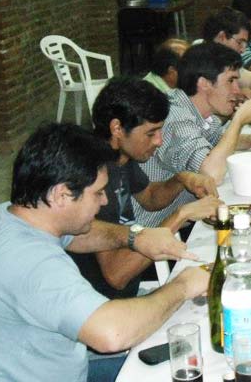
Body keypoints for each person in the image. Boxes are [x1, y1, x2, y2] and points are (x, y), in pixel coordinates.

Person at [0, 123, 209, 382]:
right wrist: (182, 286)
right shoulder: (34, 264)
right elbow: (113, 335)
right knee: (189, 363)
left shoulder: (3, 216)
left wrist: (135, 237)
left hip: (44, 367)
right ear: (61, 195)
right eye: (97, 193)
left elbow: (79, 234)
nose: (105, 201)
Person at [72, 77, 221, 299]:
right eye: (151, 133)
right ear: (117, 128)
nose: (159, 141)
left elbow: (150, 197)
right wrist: (181, 215)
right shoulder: (95, 178)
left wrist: (182, 179)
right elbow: (117, 276)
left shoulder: (120, 156)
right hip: (107, 304)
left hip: (132, 286)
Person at [134, 43, 251, 227]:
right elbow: (212, 174)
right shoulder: (175, 117)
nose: (237, 90)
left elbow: (218, 143)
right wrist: (238, 120)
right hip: (156, 231)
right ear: (204, 83)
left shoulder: (198, 112)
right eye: (230, 81)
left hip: (185, 221)